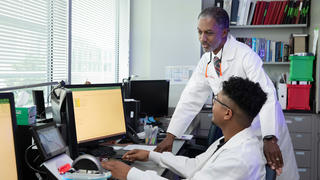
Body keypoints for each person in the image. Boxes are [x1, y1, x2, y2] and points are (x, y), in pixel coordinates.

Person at [154, 7, 298, 180]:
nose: (202, 39)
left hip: (263, 130)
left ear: (224, 32)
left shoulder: (245, 56)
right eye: (199, 32)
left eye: (208, 33)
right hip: (240, 134)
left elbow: (267, 96)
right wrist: (171, 136)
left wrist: (270, 138)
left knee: (272, 173)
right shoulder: (206, 61)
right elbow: (190, 98)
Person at [101, 77, 267, 180]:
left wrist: (129, 174)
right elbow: (195, 166)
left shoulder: (239, 158)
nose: (213, 103)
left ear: (227, 113)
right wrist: (152, 155)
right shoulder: (230, 141)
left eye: (216, 100)